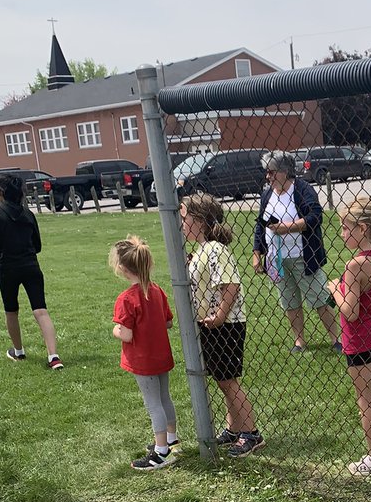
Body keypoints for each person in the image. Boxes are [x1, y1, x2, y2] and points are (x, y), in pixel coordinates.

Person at [180, 193, 265, 459]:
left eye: (184, 218)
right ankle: (234, 427)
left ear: (200, 221)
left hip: (225, 325)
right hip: (212, 324)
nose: (181, 224)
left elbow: (231, 285)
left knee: (228, 380)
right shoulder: (205, 250)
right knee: (222, 378)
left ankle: (251, 432)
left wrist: (219, 315)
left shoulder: (216, 249)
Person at [327, 197, 371, 477]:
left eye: (345, 228)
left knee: (364, 399)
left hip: (359, 338)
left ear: (362, 228)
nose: (342, 234)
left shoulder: (354, 265)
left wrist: (335, 289)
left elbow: (350, 311)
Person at [253, 150, 342, 354]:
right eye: (267, 172)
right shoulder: (267, 194)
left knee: (320, 297)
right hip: (278, 259)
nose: (268, 176)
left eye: (272, 172)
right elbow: (260, 226)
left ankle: (336, 339)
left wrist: (288, 227)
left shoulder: (302, 189)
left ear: (285, 171)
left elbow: (315, 216)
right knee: (290, 301)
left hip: (304, 256)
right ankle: (299, 341)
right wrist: (257, 253)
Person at [109, 236, 178, 472]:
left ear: (123, 269)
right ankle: (171, 439)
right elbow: (168, 323)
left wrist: (116, 329)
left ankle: (161, 452)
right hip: (161, 356)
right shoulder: (157, 291)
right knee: (165, 398)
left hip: (142, 360)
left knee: (153, 404)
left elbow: (126, 334)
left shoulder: (127, 299)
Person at [0, 174, 63, 368]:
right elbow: (38, 245)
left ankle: (18, 351)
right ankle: (53, 356)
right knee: (41, 311)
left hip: (7, 267)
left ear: (0, 193)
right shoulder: (28, 214)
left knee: (11, 311)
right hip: (31, 265)